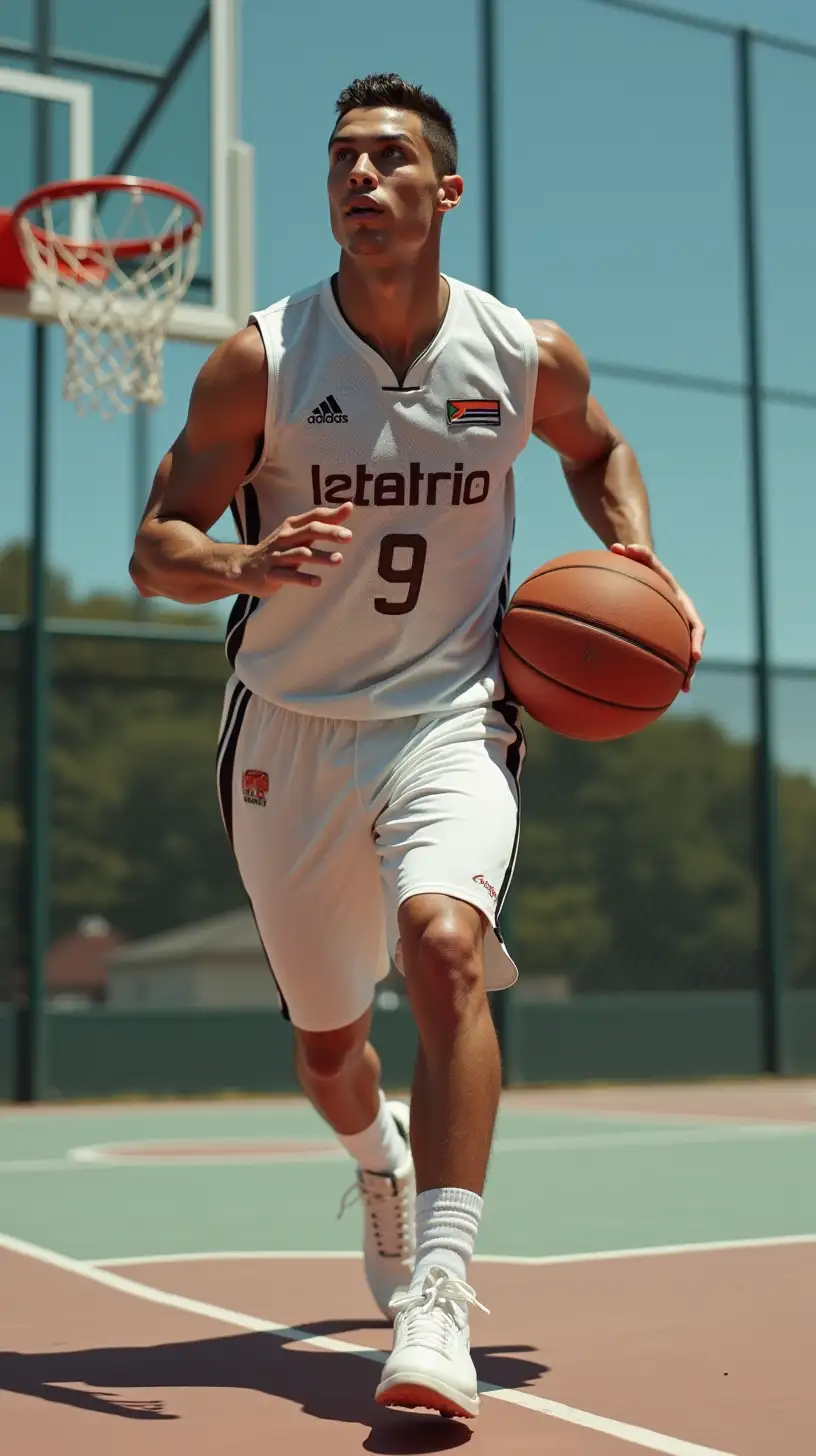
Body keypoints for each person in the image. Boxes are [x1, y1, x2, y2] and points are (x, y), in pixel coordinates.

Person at [130, 72, 705, 1419]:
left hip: (454, 712)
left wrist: (635, 551)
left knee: (445, 948)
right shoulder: (263, 359)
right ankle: (375, 1161)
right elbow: (157, 545)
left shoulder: (520, 354)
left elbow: (598, 446)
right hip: (289, 729)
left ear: (445, 192)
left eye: (390, 159)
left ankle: (438, 1302)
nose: (360, 177)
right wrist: (239, 564)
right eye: (342, 159)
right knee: (331, 1052)